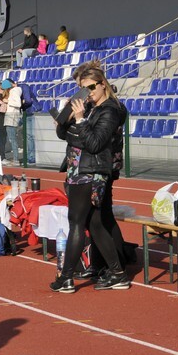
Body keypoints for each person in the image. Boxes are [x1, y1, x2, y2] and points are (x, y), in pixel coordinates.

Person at [50, 66, 129, 293]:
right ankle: (117, 273)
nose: (88, 92)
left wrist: (81, 121)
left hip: (91, 173)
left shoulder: (110, 110)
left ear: (103, 84)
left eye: (91, 87)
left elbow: (94, 143)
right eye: (83, 89)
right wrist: (66, 121)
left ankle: (65, 278)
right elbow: (68, 136)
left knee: (76, 222)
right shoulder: (92, 108)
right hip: (79, 169)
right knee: (94, 224)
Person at [2, 79, 23, 164]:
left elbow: (18, 104)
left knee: (13, 139)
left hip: (12, 118)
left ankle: (16, 159)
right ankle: (15, 159)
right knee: (12, 139)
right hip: (11, 117)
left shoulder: (14, 91)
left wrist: (8, 101)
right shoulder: (15, 91)